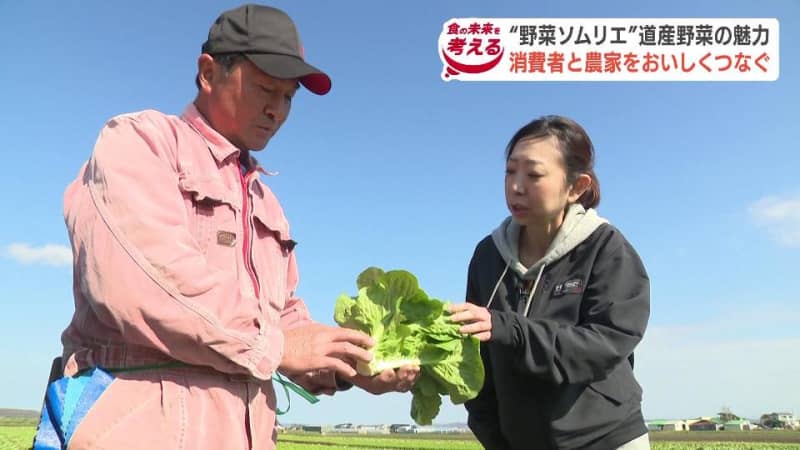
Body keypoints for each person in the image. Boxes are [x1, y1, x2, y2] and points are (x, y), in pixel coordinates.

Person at [42, 4, 417, 449]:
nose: (277, 110)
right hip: (140, 429)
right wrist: (275, 347)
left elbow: (286, 319)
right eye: (265, 89)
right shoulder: (142, 142)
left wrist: (348, 363)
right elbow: (147, 284)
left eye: (289, 98)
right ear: (208, 73)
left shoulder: (266, 202)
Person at [448, 116, 651, 450]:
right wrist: (492, 432)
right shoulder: (488, 256)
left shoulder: (606, 248)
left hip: (605, 439)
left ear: (577, 186)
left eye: (534, 174)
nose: (516, 186)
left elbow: (607, 344)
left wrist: (509, 328)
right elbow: (477, 358)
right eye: (510, 171)